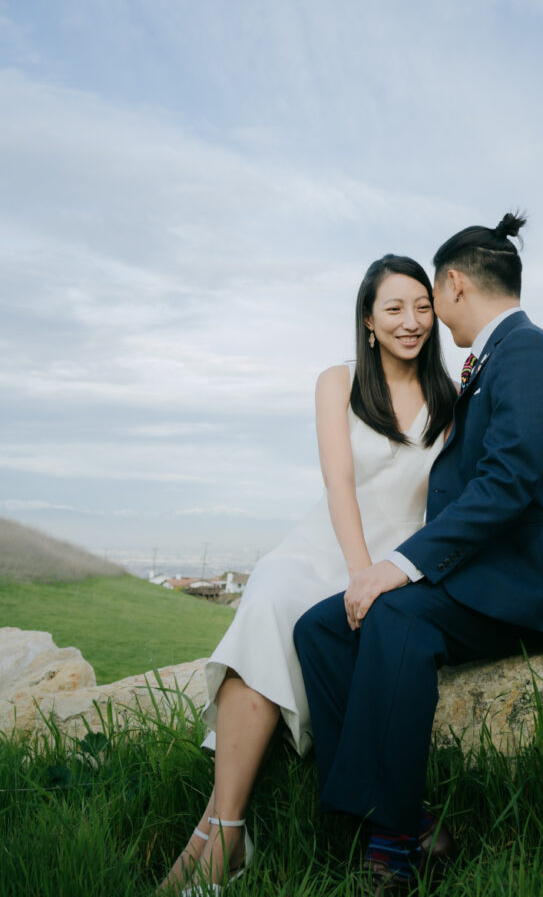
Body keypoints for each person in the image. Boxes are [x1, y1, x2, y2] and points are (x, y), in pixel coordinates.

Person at [294, 212, 543, 894]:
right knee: (321, 628)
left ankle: (393, 843)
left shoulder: (528, 350)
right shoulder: (494, 358)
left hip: (528, 589)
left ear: (454, 283)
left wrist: (398, 566)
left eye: (430, 296)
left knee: (395, 618)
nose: (427, 315)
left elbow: (508, 484)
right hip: (484, 577)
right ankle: (387, 816)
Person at [159, 254, 455, 894]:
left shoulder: (451, 396)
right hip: (328, 544)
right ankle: (227, 828)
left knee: (322, 626)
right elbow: (339, 481)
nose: (411, 321)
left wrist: (385, 576)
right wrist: (357, 572)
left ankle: (217, 839)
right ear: (369, 321)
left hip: (400, 559)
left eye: (423, 306)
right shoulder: (338, 381)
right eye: (394, 308)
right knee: (267, 600)